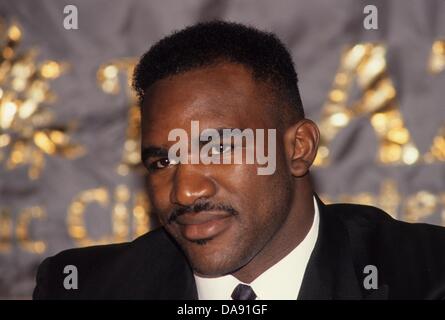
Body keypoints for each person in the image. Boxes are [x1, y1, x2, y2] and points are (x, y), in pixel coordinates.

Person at [33, 21, 445, 300]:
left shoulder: (425, 274)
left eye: (217, 148)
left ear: (298, 148)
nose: (184, 190)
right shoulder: (83, 288)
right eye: (161, 162)